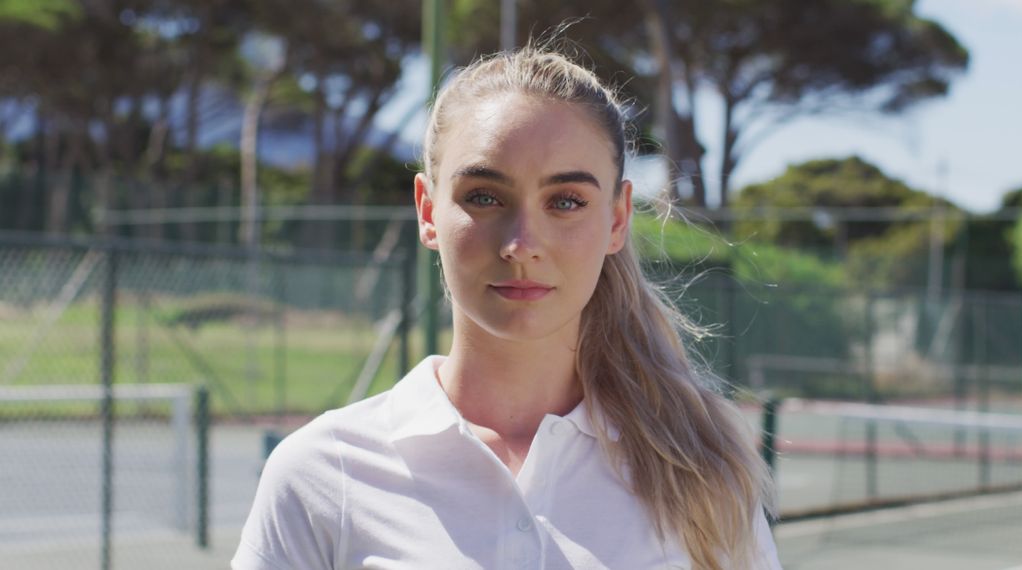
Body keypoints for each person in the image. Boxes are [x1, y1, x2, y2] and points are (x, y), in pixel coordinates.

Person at [233, 45, 780, 570]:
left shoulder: (703, 470)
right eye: (484, 197)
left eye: (566, 202)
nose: (522, 243)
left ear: (617, 220)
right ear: (428, 211)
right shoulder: (323, 473)